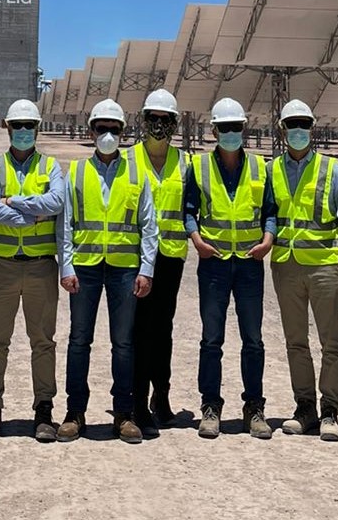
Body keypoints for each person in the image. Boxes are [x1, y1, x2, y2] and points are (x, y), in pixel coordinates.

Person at [57, 98, 157, 444]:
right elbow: (66, 224)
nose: (109, 136)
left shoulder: (136, 174)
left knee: (124, 344)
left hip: (124, 270)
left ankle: (124, 414)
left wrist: (146, 269)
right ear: (92, 131)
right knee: (79, 341)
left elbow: (149, 225)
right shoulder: (77, 173)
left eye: (115, 130)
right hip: (83, 269)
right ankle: (74, 413)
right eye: (103, 129)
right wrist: (66, 265)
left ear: (123, 133)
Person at [186, 97, 277, 440]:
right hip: (214, 264)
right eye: (224, 128)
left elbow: (270, 210)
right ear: (214, 130)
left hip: (250, 264)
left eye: (236, 127)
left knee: (253, 340)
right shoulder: (199, 167)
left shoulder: (259, 167)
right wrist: (196, 240)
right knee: (212, 339)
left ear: (244, 128)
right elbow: (189, 210)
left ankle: (254, 407)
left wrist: (268, 240)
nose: (230, 133)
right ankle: (210, 407)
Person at [0, 99, 66, 443]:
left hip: (41, 266)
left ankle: (44, 410)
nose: (24, 131)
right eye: (18, 125)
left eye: (30, 125)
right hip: (1, 267)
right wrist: (34, 215)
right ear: (7, 127)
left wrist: (11, 202)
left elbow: (55, 203)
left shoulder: (51, 166)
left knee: (42, 342)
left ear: (38, 128)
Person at [269, 99, 338, 442]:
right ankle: (305, 407)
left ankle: (330, 410)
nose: (298, 130)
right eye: (292, 124)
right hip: (286, 267)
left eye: (304, 124)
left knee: (331, 342)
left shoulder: (333, 170)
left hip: (324, 267)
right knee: (295, 342)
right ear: (282, 130)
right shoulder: (270, 170)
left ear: (312, 128)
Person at [131, 88, 189, 435]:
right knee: (139, 331)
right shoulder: (128, 160)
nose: (159, 125)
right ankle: (137, 399)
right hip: (136, 259)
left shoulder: (186, 163)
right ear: (143, 121)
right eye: (153, 118)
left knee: (163, 329)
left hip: (170, 258)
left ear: (175, 123)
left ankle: (161, 395)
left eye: (166, 120)